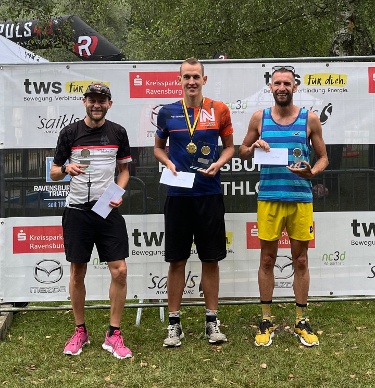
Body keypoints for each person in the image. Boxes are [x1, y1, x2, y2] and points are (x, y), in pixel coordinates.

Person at [239, 66, 329, 347]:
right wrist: (253, 146)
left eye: (286, 83)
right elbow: (242, 152)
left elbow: (324, 157)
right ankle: (266, 319)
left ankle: (301, 320)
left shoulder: (309, 119)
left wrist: (311, 173)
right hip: (269, 198)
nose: (281, 87)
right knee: (267, 259)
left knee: (301, 260)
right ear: (270, 87)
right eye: (277, 83)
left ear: (294, 87)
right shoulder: (259, 118)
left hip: (300, 199)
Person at [154, 57, 235, 347]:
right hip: (177, 195)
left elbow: (229, 148)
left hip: (208, 193)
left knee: (210, 258)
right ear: (179, 80)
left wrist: (219, 164)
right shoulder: (167, 113)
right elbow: (158, 148)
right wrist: (168, 164)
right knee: (176, 259)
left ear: (204, 79)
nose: (191, 82)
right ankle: (174, 324)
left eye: (195, 77)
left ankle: (211, 322)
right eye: (186, 77)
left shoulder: (220, 110)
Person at [50, 82, 133, 359]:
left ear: (109, 104)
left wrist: (117, 192)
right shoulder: (70, 132)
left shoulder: (118, 132)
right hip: (77, 211)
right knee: (77, 272)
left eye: (102, 100)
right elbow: (53, 173)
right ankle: (80, 330)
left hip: (105, 209)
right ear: (84, 102)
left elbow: (124, 171)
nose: (97, 104)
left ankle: (114, 334)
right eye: (92, 100)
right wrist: (65, 168)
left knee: (120, 270)